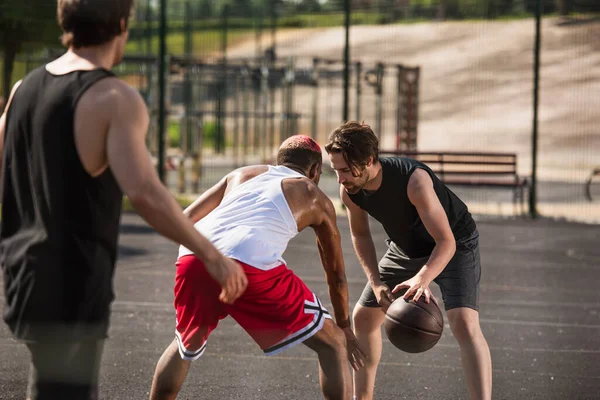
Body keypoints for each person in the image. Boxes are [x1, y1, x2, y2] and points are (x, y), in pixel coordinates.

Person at [0, 1, 247, 399]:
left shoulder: (22, 89)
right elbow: (145, 192)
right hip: (71, 282)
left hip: (20, 274)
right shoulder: (113, 97)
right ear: (120, 24)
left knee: (50, 385)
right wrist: (212, 256)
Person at [149, 135, 366, 400]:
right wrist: (344, 326)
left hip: (195, 256)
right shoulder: (314, 195)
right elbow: (337, 276)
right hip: (249, 263)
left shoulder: (241, 174)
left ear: (278, 161)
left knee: (184, 343)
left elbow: (184, 219)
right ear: (315, 171)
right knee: (333, 343)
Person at [325, 122, 492, 400]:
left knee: (464, 322)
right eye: (336, 171)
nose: (341, 179)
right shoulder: (351, 191)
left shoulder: (414, 181)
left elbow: (445, 242)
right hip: (405, 249)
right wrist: (375, 281)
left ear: (368, 160)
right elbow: (360, 235)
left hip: (455, 243)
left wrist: (423, 278)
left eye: (345, 170)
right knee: (363, 318)